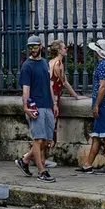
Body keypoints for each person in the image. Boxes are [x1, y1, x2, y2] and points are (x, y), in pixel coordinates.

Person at [16, 35, 56, 183]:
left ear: (41, 46)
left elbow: (49, 85)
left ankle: (25, 160)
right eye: (30, 47)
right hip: (36, 106)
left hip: (47, 105)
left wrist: (54, 103)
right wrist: (26, 107)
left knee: (47, 140)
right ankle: (41, 171)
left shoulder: (45, 63)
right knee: (38, 139)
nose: (32, 49)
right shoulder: (27, 66)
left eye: (35, 46)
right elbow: (26, 89)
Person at [77, 38, 105, 174]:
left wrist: (96, 105)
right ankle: (88, 164)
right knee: (96, 135)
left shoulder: (103, 65)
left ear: (98, 52)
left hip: (103, 104)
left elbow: (102, 87)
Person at [45, 40, 79, 168]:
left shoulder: (50, 62)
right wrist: (75, 96)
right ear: (59, 50)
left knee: (48, 127)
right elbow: (64, 82)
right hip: (54, 97)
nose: (66, 49)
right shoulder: (58, 64)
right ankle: (42, 158)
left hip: (49, 97)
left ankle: (41, 157)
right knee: (52, 128)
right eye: (64, 48)